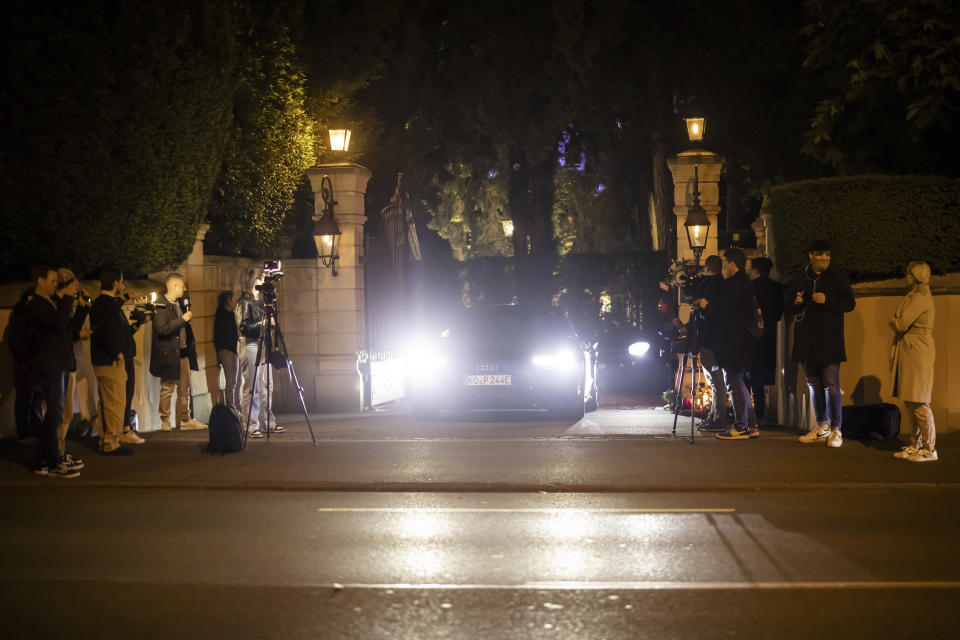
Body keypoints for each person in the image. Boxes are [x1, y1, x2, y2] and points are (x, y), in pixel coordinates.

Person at [786, 239, 856, 448]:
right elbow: (790, 306)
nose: (824, 258)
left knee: (831, 384)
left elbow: (850, 303)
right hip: (807, 338)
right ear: (811, 255)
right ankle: (821, 426)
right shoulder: (800, 277)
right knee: (814, 384)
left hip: (829, 339)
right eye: (820, 254)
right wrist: (796, 302)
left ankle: (836, 429)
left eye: (827, 254)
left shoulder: (838, 278)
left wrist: (828, 301)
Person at [26, 265, 84, 477]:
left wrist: (79, 305)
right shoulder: (37, 304)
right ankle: (53, 461)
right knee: (54, 414)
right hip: (49, 366)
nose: (54, 284)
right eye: (51, 281)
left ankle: (46, 459)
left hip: (57, 364)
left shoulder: (49, 303)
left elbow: (68, 329)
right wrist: (68, 298)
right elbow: (58, 325)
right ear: (40, 282)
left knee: (55, 414)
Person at [701, 248, 757, 440]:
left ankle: (741, 426)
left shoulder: (735, 284)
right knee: (738, 382)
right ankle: (751, 425)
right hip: (741, 339)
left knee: (733, 382)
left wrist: (706, 306)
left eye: (725, 262)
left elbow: (724, 311)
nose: (723, 266)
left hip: (734, 340)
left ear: (732, 263)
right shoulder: (745, 283)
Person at [90, 267, 142, 454]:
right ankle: (111, 442)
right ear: (115, 284)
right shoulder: (105, 304)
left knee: (107, 402)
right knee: (115, 403)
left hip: (103, 359)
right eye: (121, 281)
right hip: (110, 360)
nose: (123, 285)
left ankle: (106, 439)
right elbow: (108, 332)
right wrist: (118, 353)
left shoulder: (102, 304)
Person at [890, 261, 938, 462]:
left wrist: (894, 321)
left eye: (908, 273)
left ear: (915, 276)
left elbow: (900, 322)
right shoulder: (915, 295)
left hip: (917, 350)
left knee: (919, 401)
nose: (905, 277)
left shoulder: (920, 297)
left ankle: (929, 448)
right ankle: (915, 444)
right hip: (913, 349)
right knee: (912, 401)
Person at [150, 273, 206, 431]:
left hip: (182, 351)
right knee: (167, 387)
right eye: (182, 286)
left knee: (185, 387)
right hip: (168, 353)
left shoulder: (180, 303)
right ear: (174, 285)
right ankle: (165, 421)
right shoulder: (160, 305)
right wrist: (183, 319)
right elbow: (162, 328)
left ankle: (185, 419)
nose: (185, 289)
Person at [238, 268, 284, 438]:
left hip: (263, 344)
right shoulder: (244, 302)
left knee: (267, 386)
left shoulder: (261, 302)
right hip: (250, 345)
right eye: (263, 279)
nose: (265, 283)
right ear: (254, 281)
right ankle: (250, 425)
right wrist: (263, 323)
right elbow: (243, 327)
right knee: (253, 387)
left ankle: (268, 422)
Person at [56, 268, 93, 466]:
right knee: (60, 413)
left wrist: (83, 307)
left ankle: (59, 452)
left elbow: (71, 328)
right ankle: (56, 454)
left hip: (67, 363)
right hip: (59, 365)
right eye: (74, 285)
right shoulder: (58, 304)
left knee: (67, 413)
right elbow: (65, 332)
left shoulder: (65, 304)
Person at [692, 255, 730, 431]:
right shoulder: (721, 284)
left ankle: (718, 418)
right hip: (716, 338)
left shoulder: (712, 286)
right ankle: (714, 415)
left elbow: (715, 312)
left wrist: (702, 304)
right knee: (715, 381)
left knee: (716, 381)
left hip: (710, 339)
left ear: (707, 267)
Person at [746, 257, 783, 424]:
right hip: (769, 337)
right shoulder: (777, 288)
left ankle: (747, 414)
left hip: (751, 337)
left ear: (755, 270)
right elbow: (778, 315)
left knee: (746, 377)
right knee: (760, 378)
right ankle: (760, 414)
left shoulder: (750, 288)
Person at [5, 283, 38, 440]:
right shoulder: (22, 312)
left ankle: (29, 430)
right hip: (25, 362)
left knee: (31, 397)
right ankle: (24, 432)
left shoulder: (23, 311)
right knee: (25, 397)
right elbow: (15, 340)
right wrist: (27, 355)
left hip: (28, 361)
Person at [214, 290, 241, 412]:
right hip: (227, 350)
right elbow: (226, 334)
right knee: (231, 380)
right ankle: (232, 406)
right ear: (228, 300)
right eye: (233, 299)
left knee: (235, 380)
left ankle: (236, 404)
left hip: (232, 349)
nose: (235, 301)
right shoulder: (222, 314)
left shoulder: (229, 313)